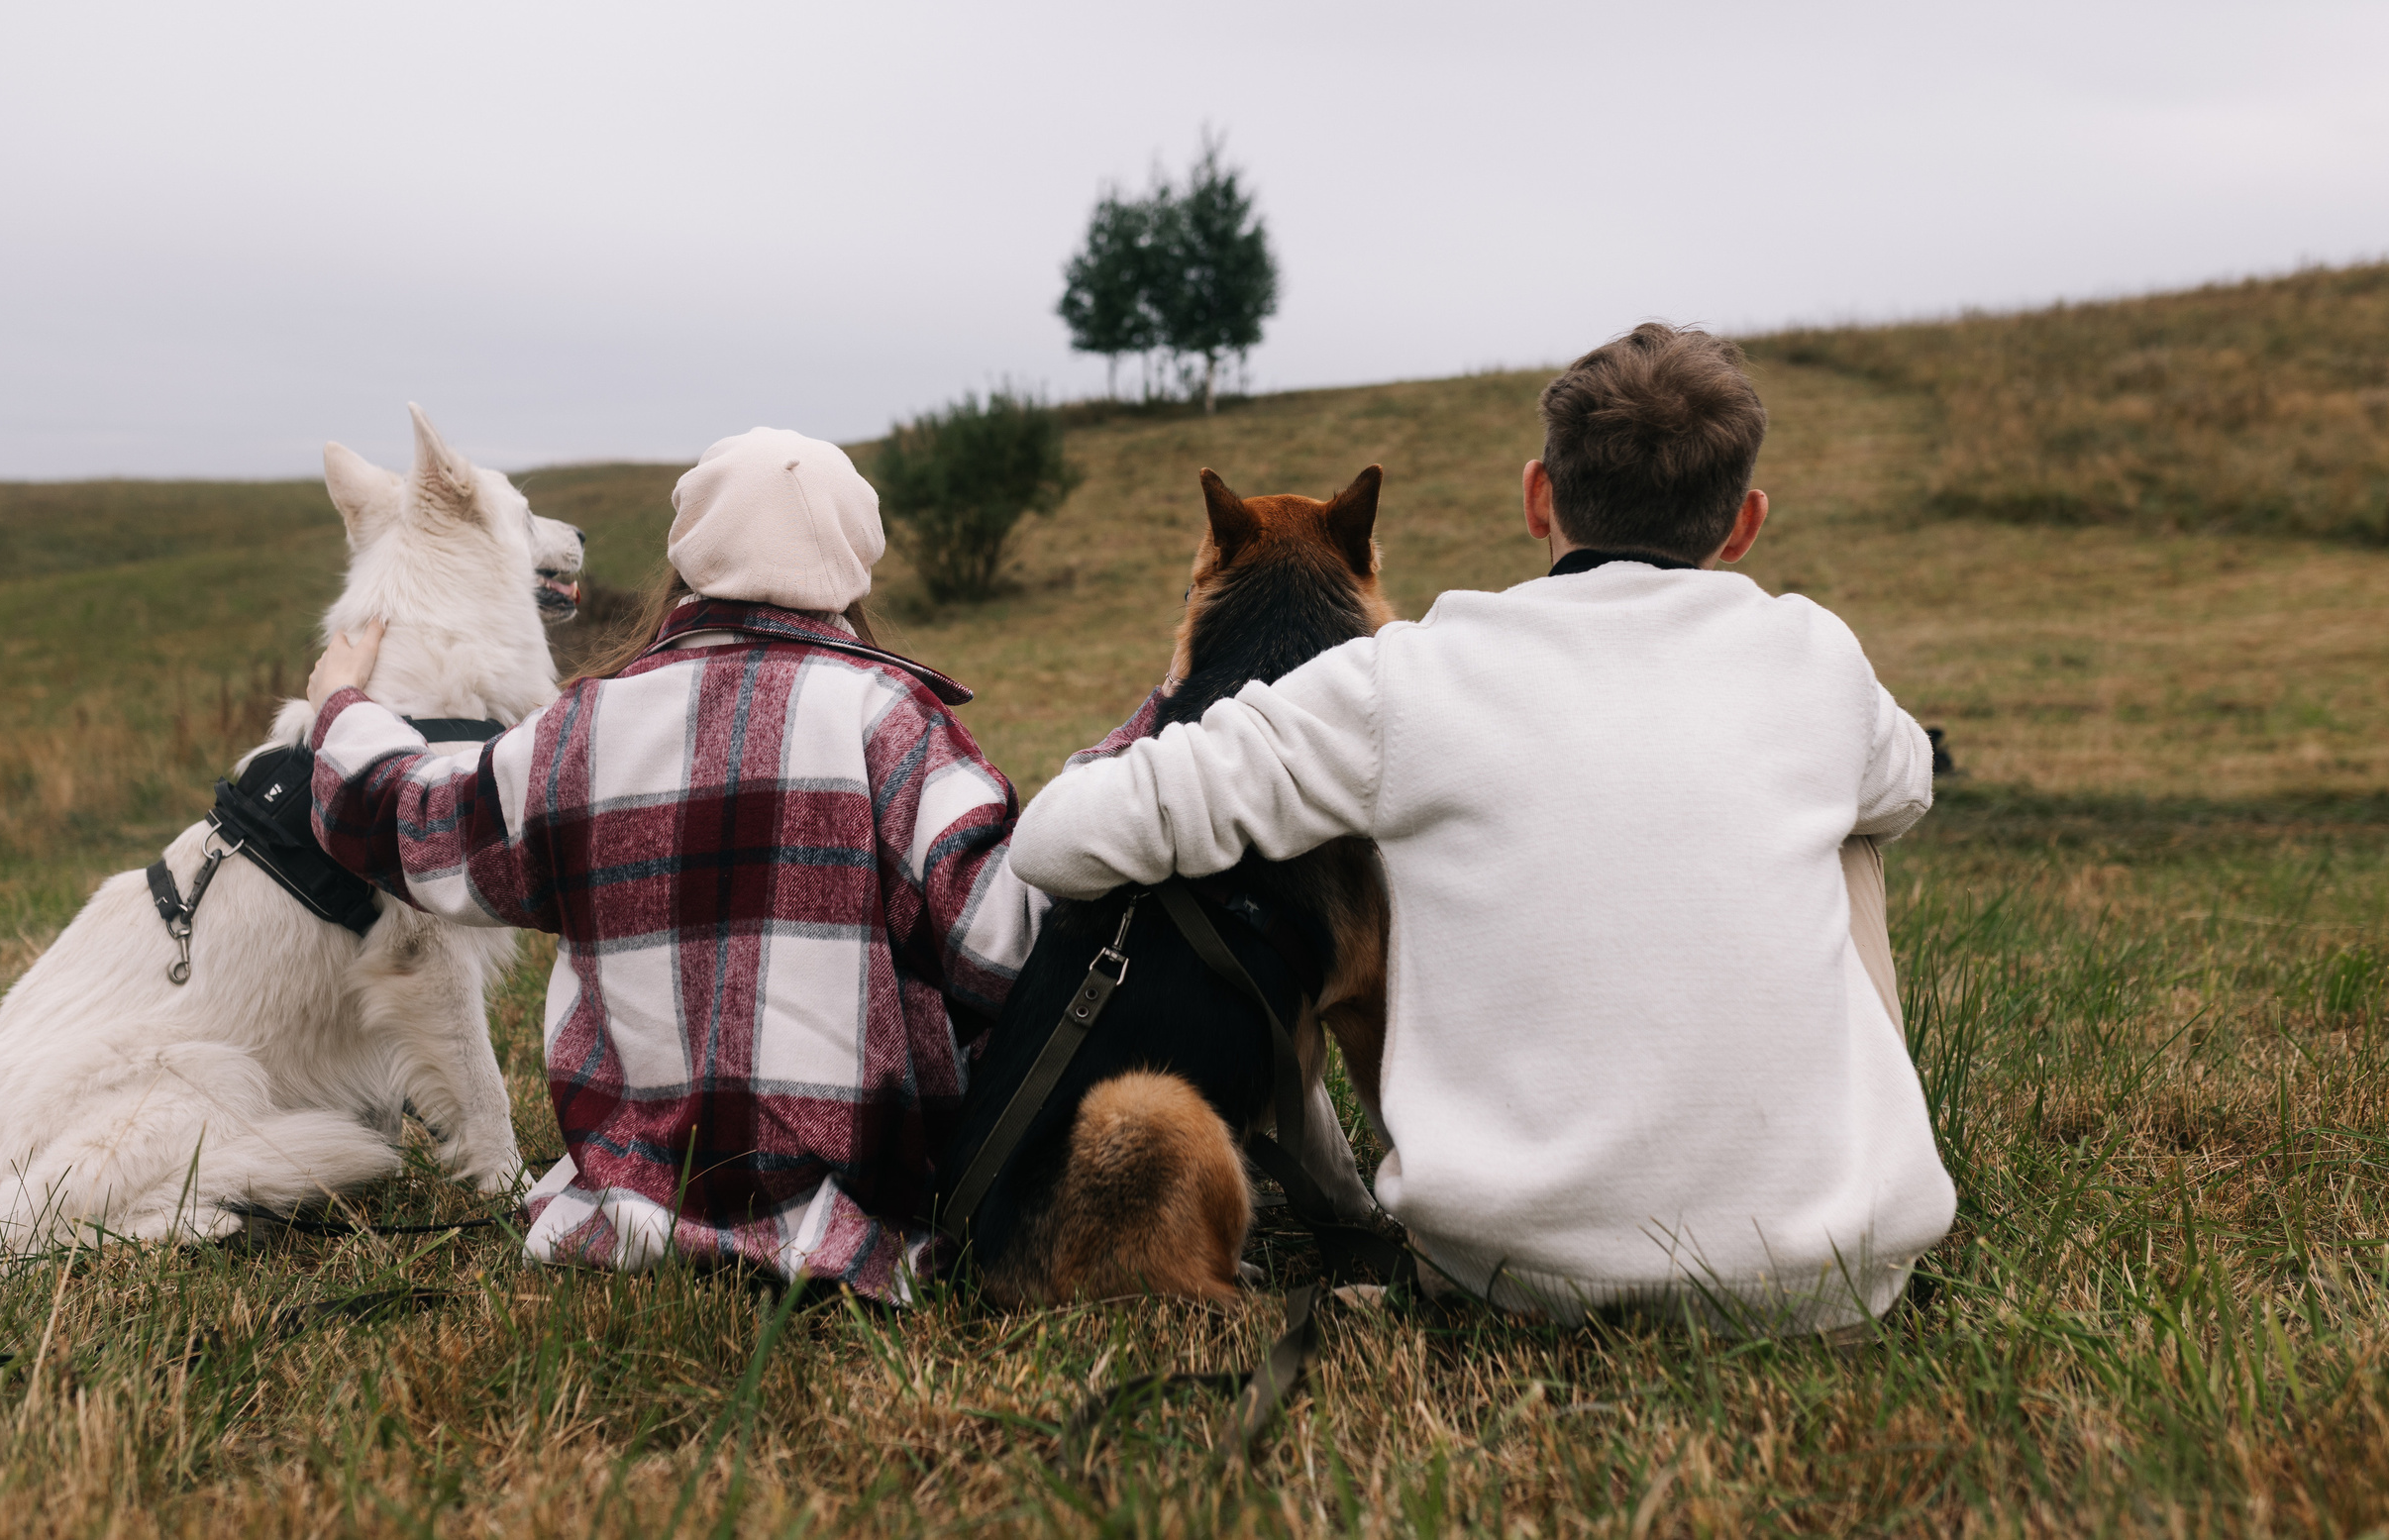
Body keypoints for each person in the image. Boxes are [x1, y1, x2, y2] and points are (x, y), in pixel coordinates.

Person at [1009, 324, 1956, 1334]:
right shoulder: (1816, 658)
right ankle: (1827, 1166)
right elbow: (1908, 790)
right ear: (1745, 524)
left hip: (1504, 1281)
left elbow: (1055, 840)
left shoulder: (1411, 678)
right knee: (1858, 827)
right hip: (1824, 1286)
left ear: (1537, 495)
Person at [303, 428, 1050, 1299]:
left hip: (625, 1229)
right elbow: (1001, 952)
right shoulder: (894, 723)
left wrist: (342, 709)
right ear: (854, 564)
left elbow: (413, 824)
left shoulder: (579, 730)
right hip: (863, 1231)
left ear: (688, 559)